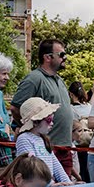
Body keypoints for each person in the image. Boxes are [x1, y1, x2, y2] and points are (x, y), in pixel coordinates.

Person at [10, 39, 76, 179]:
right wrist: (32, 130)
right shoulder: (34, 78)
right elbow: (16, 108)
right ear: (47, 57)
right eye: (62, 54)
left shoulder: (59, 80)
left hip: (64, 147)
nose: (65, 57)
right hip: (44, 147)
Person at [14, 98, 73, 186]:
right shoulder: (24, 139)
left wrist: (68, 182)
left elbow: (56, 165)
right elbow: (31, 168)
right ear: (35, 122)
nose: (52, 123)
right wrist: (50, 184)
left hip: (45, 185)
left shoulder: (43, 139)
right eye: (48, 120)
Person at [68, 81, 93, 181]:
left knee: (80, 169)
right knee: (88, 170)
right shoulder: (89, 107)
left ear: (70, 94)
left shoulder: (71, 109)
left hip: (77, 143)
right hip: (89, 141)